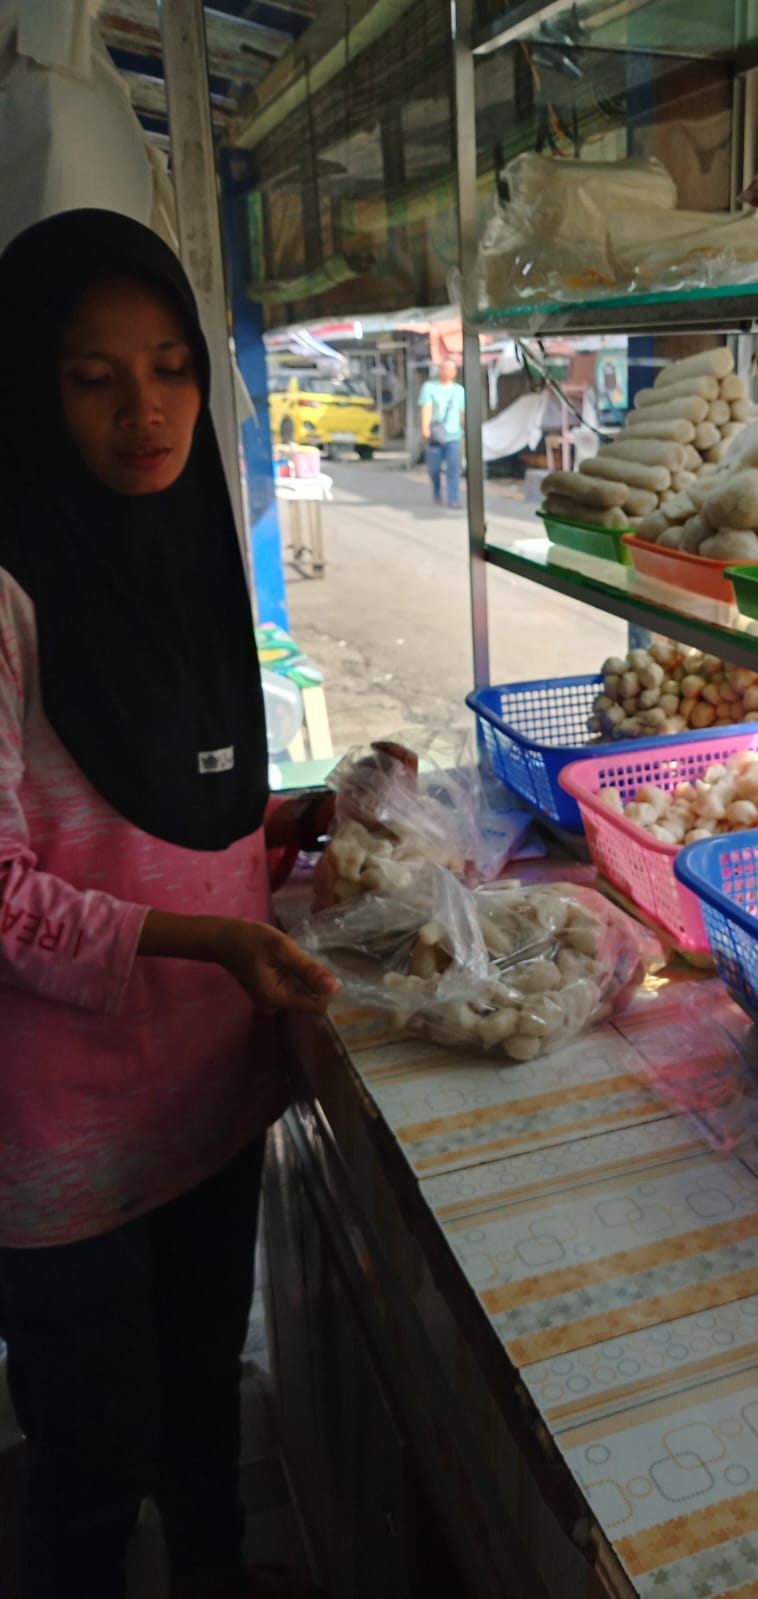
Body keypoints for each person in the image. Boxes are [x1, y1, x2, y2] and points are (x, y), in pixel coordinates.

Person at [0, 209, 339, 1599]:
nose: (148, 410)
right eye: (93, 376)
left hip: (206, 1088)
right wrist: (216, 935)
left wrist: (283, 828)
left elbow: (156, 814)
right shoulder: (10, 595)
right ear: (27, 387)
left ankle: (217, 1571)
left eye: (172, 366)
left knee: (206, 1388)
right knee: (89, 1459)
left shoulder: (183, 559)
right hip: (66, 1142)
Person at [418, 359, 466, 508]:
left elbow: (462, 412)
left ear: (454, 372)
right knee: (434, 468)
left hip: (454, 435)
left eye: (449, 369)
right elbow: (426, 408)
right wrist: (425, 428)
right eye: (443, 368)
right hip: (436, 434)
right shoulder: (429, 387)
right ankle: (437, 491)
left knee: (453, 468)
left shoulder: (459, 390)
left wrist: (466, 430)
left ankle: (453, 498)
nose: (446, 371)